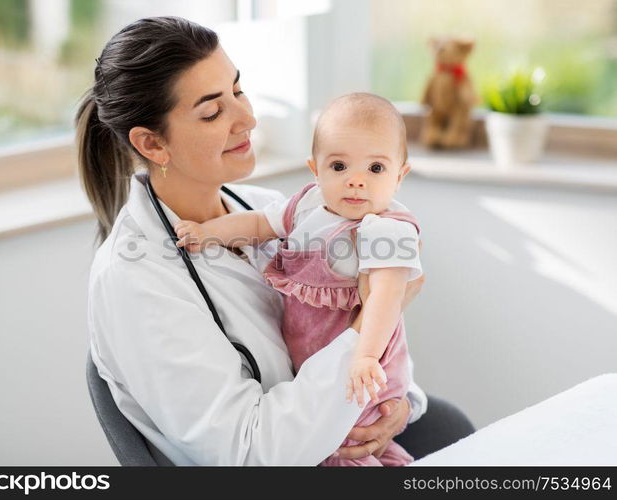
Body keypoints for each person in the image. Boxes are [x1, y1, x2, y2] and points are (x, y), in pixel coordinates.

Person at [77, 16, 474, 466]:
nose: (247, 118)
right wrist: (369, 325)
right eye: (212, 112)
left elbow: (330, 328)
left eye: (238, 91)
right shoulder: (134, 280)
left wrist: (397, 408)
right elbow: (250, 452)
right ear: (152, 144)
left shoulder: (268, 210)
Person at [174, 93, 421, 466]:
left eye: (375, 169)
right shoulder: (305, 205)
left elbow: (386, 297)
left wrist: (366, 355)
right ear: (315, 169)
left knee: (347, 445)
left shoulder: (385, 229)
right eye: (339, 166)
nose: (355, 181)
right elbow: (258, 224)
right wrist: (208, 233)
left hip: (364, 370)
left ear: (399, 175)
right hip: (309, 360)